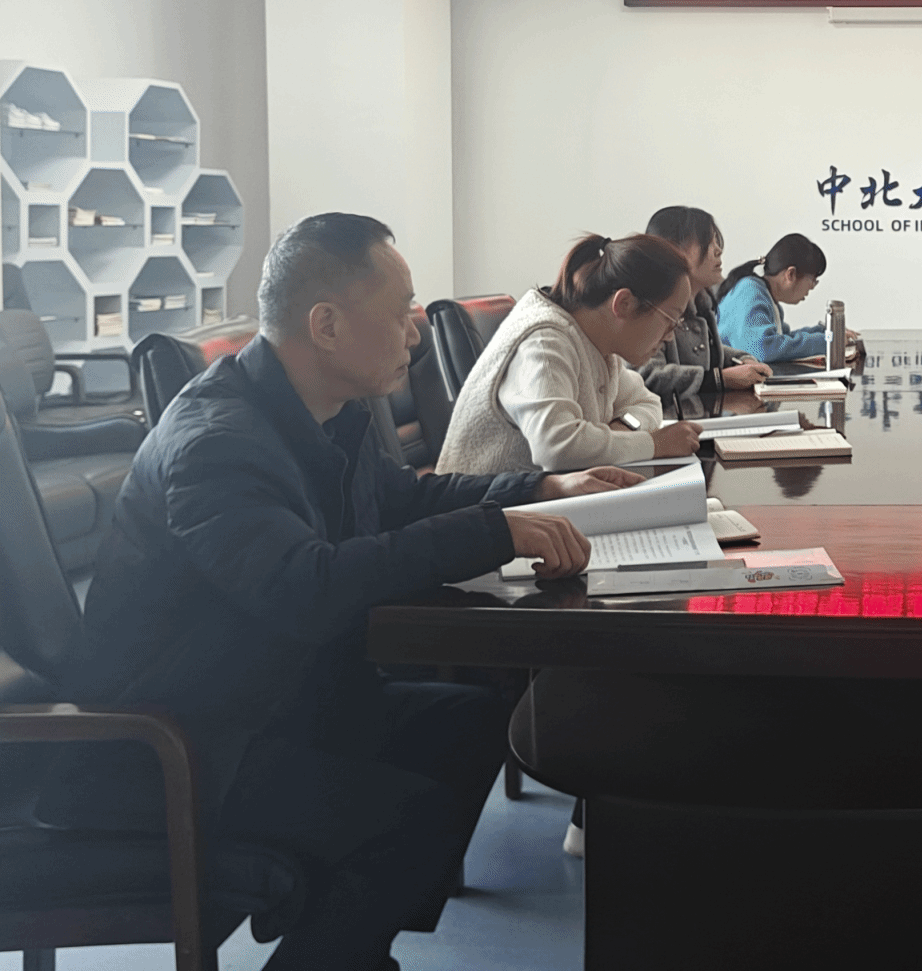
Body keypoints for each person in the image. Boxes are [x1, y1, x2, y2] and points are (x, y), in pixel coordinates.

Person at [41, 214, 633, 971]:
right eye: (400, 311)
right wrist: (494, 531)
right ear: (325, 325)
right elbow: (305, 589)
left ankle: (341, 941)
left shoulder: (325, 412)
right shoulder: (217, 441)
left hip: (264, 700)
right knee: (407, 817)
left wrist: (541, 489)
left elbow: (402, 499)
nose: (415, 332)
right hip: (172, 745)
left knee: (472, 720)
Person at [438, 233, 703, 476]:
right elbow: (556, 448)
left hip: (541, 503)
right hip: (486, 508)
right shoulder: (545, 343)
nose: (670, 336)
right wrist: (653, 444)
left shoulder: (598, 345)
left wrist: (622, 430)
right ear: (624, 303)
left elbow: (648, 403)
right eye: (671, 319)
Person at [637, 205, 771, 405]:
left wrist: (742, 358)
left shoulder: (701, 303)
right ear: (674, 249)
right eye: (707, 243)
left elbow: (705, 350)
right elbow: (647, 376)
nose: (718, 250)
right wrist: (720, 379)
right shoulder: (650, 308)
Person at [717, 233, 833, 363]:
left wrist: (825, 332)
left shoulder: (766, 297)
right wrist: (827, 341)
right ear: (791, 274)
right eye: (813, 279)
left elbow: (782, 339)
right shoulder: (749, 291)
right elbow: (763, 349)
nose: (812, 287)